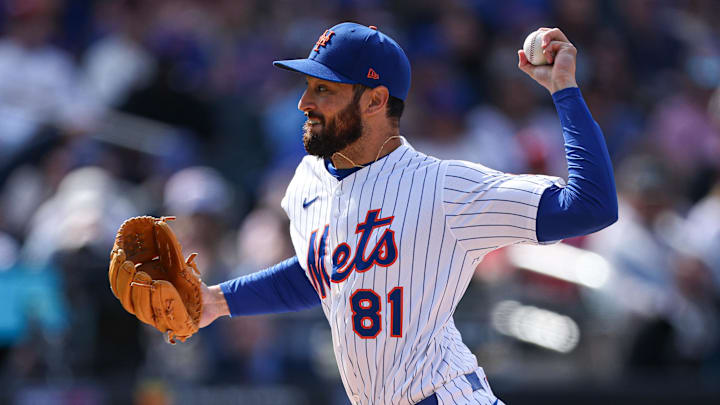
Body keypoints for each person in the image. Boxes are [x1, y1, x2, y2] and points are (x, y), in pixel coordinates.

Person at [199, 22, 617, 405]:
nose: (304, 102)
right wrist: (216, 301)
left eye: (324, 89)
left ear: (376, 100)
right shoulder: (308, 181)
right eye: (308, 86)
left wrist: (564, 90)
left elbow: (590, 206)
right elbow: (322, 274)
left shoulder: (444, 188)